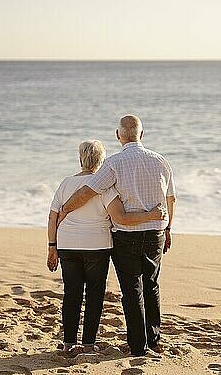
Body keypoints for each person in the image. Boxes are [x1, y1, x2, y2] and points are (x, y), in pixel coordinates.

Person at [58, 115, 176, 356]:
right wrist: (168, 228)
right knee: (151, 285)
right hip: (155, 233)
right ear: (142, 135)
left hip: (126, 236)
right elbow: (171, 199)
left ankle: (137, 346)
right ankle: (153, 340)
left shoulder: (114, 163)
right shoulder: (161, 161)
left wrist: (65, 210)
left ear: (118, 136)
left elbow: (88, 191)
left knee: (132, 290)